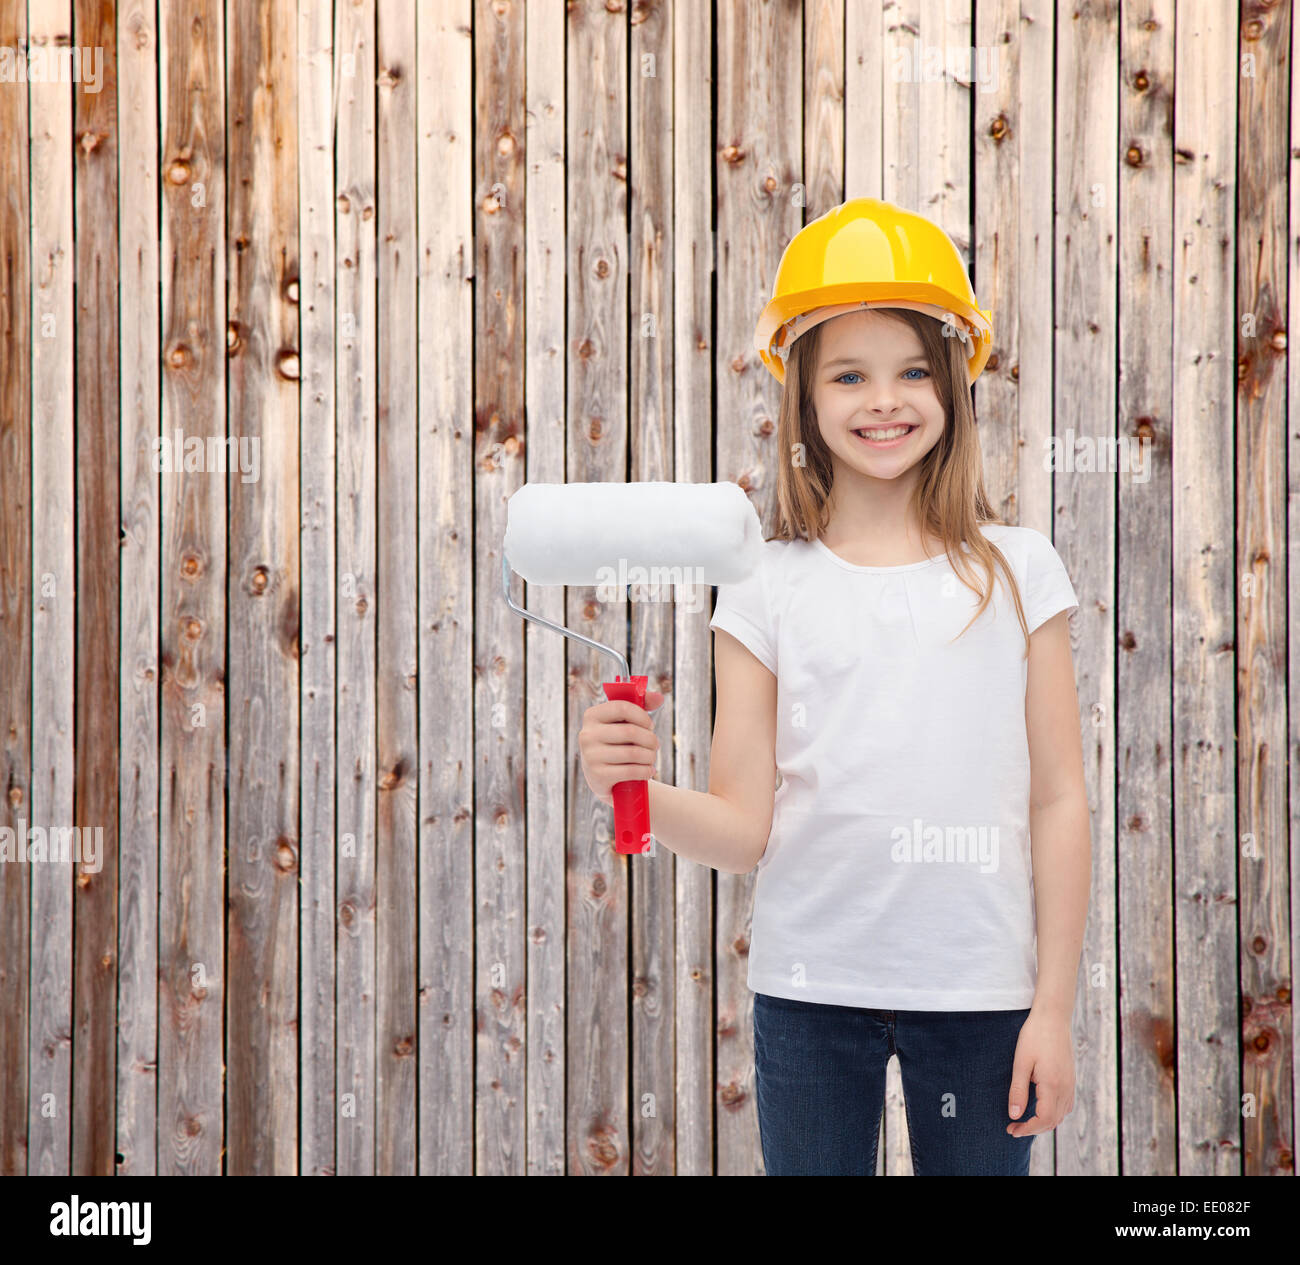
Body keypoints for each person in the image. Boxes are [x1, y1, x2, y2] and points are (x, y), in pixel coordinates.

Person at [578, 197, 1090, 1176]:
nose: (882, 400)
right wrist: (631, 786)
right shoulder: (766, 584)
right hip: (811, 994)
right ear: (803, 398)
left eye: (909, 372)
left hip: (982, 992)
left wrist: (1053, 1007)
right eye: (848, 374)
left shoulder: (1020, 571)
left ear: (952, 385)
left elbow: (1059, 796)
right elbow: (742, 825)